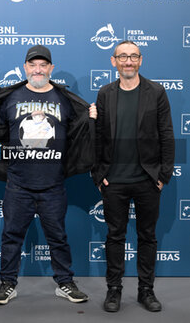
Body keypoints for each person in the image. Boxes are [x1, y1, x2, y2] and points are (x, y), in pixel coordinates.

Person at [0, 45, 97, 305]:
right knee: (11, 236)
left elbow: (79, 136)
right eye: (33, 65)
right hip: (18, 184)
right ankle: (7, 284)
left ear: (51, 69)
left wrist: (91, 119)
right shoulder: (9, 98)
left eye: (43, 65)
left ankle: (64, 283)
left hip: (53, 184)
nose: (38, 69)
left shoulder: (65, 99)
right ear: (25, 68)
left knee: (58, 236)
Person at [92, 41, 174, 312]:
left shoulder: (157, 92)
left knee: (147, 237)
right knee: (115, 237)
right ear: (113, 61)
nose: (128, 61)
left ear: (141, 60)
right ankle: (114, 290)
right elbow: (97, 137)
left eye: (133, 56)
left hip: (147, 180)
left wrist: (163, 175)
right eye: (123, 56)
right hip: (113, 181)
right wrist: (98, 173)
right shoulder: (105, 93)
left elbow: (166, 135)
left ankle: (145, 291)